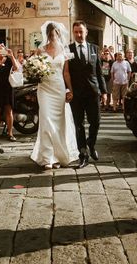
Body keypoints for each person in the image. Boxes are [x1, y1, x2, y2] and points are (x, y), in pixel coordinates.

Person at [30, 21, 79, 170]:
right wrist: (35, 71)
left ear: (59, 34)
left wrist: (70, 90)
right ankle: (47, 158)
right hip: (44, 88)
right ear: (47, 35)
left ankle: (58, 156)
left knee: (59, 123)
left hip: (58, 88)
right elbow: (33, 68)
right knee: (46, 120)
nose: (53, 37)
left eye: (55, 34)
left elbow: (66, 73)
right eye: (50, 35)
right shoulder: (40, 50)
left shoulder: (64, 51)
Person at [67, 21, 107, 168]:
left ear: (86, 32)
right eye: (76, 32)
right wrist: (68, 90)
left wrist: (103, 92)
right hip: (76, 94)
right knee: (78, 125)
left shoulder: (94, 49)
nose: (78, 35)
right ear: (73, 33)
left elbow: (99, 72)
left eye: (81, 32)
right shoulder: (68, 50)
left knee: (96, 122)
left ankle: (91, 144)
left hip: (93, 92)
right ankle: (83, 153)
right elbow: (65, 73)